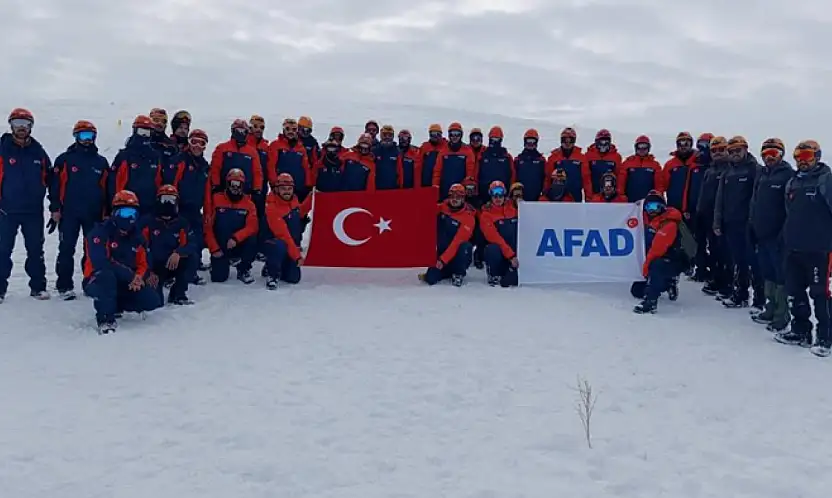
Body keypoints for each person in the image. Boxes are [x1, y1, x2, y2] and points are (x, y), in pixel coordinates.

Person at [775, 140, 832, 357]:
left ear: (817, 156)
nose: (802, 161)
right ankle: (801, 331)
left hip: (819, 249)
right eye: (798, 156)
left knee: (820, 293)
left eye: (807, 156)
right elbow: (790, 213)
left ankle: (825, 337)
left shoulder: (826, 180)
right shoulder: (793, 183)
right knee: (794, 291)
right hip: (794, 248)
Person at [82, 190, 163, 334]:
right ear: (115, 213)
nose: (129, 218)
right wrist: (131, 276)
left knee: (152, 300)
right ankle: (105, 319)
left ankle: (116, 304)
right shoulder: (99, 233)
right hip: (97, 278)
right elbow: (102, 262)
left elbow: (143, 262)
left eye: (133, 214)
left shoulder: (137, 237)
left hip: (126, 281)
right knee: (107, 277)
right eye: (124, 213)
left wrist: (139, 278)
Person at [50, 120, 109, 300]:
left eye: (90, 136)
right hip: (69, 213)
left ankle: (90, 281)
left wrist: (106, 213)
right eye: (83, 136)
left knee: (92, 249)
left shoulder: (101, 162)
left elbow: (107, 189)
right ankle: (64, 285)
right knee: (66, 248)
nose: (87, 140)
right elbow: (55, 186)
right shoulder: (65, 159)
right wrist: (55, 208)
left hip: (93, 213)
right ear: (76, 136)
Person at [0, 108, 52, 302]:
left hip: (33, 211)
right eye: (17, 124)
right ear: (11, 126)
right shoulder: (2, 149)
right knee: (2, 250)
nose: (21, 128)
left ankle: (38, 287)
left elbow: (50, 177)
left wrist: (54, 205)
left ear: (31, 127)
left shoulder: (38, 151)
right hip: (6, 210)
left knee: (36, 250)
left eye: (25, 124)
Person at [748, 138, 793, 332]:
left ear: (781, 155)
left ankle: (782, 314)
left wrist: (785, 232)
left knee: (780, 274)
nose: (769, 158)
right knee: (767, 272)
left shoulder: (788, 175)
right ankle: (770, 308)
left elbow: (791, 208)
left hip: (778, 235)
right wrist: (752, 225)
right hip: (761, 233)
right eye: (766, 154)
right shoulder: (762, 174)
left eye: (773, 154)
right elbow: (754, 202)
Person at [713, 136, 759, 308]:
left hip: (748, 224)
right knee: (738, 261)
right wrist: (717, 222)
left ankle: (759, 299)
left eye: (738, 150)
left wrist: (753, 221)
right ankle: (741, 294)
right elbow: (720, 199)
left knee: (753, 263)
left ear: (745, 149)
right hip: (730, 223)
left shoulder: (754, 170)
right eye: (731, 151)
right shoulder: (728, 172)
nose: (735, 154)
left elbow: (757, 199)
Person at [139, 185, 198, 305]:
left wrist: (179, 252)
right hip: (153, 267)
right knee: (155, 303)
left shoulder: (182, 222)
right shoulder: (147, 222)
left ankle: (178, 293)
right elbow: (140, 249)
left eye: (171, 200)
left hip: (172, 263)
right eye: (164, 199)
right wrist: (148, 271)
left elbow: (192, 243)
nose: (167, 203)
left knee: (192, 258)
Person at [663, 132, 710, 280]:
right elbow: (662, 185)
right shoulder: (670, 165)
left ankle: (702, 268)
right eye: (681, 143)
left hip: (696, 208)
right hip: (675, 208)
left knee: (699, 240)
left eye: (687, 143)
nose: (684, 146)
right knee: (677, 240)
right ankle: (684, 266)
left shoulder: (697, 163)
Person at [167, 128, 210, 282]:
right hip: (179, 209)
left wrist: (207, 211)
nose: (197, 146)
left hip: (194, 209)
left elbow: (206, 191)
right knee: (179, 239)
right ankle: (172, 273)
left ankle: (193, 266)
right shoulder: (180, 161)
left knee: (197, 237)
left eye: (202, 143)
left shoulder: (204, 166)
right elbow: (171, 184)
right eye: (194, 142)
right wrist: (172, 206)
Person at [633, 192, 686, 314]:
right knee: (637, 291)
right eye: (648, 208)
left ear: (662, 207)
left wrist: (645, 268)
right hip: (659, 258)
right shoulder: (653, 220)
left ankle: (651, 302)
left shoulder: (669, 224)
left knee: (655, 265)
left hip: (674, 260)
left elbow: (657, 250)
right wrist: (637, 206)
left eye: (655, 207)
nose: (652, 211)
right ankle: (667, 284)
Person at [204, 168, 259, 284]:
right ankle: (218, 262)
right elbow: (207, 227)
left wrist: (236, 238)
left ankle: (244, 268)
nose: (235, 187)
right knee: (219, 278)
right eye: (233, 183)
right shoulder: (216, 199)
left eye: (238, 184)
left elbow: (252, 227)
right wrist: (214, 249)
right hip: (220, 244)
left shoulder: (249, 204)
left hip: (238, 243)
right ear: (227, 184)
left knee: (253, 239)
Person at [261, 173, 311, 289]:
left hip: (288, 244)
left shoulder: (294, 200)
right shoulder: (271, 207)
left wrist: (313, 196)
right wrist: (297, 256)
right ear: (277, 189)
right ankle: (272, 274)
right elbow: (283, 234)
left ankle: (278, 264)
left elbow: (300, 212)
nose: (287, 192)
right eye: (283, 189)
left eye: (289, 189)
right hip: (272, 242)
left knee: (293, 278)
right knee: (279, 245)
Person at [420, 184, 475, 286]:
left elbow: (457, 241)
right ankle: (446, 272)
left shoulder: (468, 217)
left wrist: (443, 260)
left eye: (458, 197)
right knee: (430, 279)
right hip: (441, 252)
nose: (454, 199)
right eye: (452, 196)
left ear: (463, 199)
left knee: (465, 246)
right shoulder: (441, 208)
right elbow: (423, 212)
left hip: (457, 254)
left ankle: (458, 273)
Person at [699, 136, 732, 299]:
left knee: (727, 253)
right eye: (714, 150)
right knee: (714, 250)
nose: (717, 153)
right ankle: (717, 279)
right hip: (709, 217)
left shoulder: (730, 170)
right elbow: (704, 194)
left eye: (721, 150)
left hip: (725, 218)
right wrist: (700, 211)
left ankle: (728, 284)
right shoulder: (710, 170)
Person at [109, 115, 163, 214]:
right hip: (126, 207)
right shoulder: (124, 155)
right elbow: (114, 182)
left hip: (149, 208)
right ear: (135, 131)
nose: (144, 136)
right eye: (141, 132)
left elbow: (158, 182)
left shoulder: (155, 157)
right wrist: (113, 207)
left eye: (147, 133)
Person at [480, 180, 519, 287]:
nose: (498, 198)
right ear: (490, 195)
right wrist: (511, 256)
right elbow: (494, 237)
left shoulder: (514, 210)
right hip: (503, 254)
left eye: (500, 194)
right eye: (495, 194)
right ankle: (493, 273)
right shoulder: (486, 214)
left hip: (514, 253)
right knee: (492, 248)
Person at [267, 118, 312, 202]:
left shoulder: (301, 147)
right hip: (282, 188)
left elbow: (306, 167)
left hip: (299, 188)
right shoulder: (275, 145)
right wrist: (273, 183)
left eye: (294, 129)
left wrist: (308, 184)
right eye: (288, 129)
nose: (290, 132)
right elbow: (271, 165)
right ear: (283, 130)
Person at [433, 122, 476, 199]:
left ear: (461, 135)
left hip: (460, 192)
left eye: (457, 134)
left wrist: (467, 189)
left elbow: (470, 173)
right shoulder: (443, 151)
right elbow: (437, 171)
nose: (454, 136)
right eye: (452, 134)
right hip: (445, 190)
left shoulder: (467, 151)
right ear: (449, 135)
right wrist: (435, 188)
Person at [617, 135, 665, 202]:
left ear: (648, 148)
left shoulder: (655, 165)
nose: (642, 150)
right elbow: (621, 183)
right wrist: (621, 197)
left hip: (648, 203)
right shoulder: (627, 163)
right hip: (629, 202)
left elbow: (659, 185)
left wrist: (658, 198)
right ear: (636, 148)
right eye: (639, 147)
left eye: (644, 147)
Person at [476, 126, 515, 205]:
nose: (494, 141)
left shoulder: (507, 157)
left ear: (501, 140)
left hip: (502, 196)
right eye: (492, 139)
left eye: (497, 139)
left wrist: (510, 194)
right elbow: (476, 174)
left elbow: (513, 176)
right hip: (484, 196)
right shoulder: (482, 155)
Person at [546, 127, 586, 201]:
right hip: (557, 197)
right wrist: (546, 194)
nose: (567, 143)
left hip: (575, 197)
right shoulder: (553, 157)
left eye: (570, 140)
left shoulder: (581, 158)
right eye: (565, 140)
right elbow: (547, 178)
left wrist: (589, 198)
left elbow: (587, 179)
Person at [583, 129, 622, 197]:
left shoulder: (616, 157)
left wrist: (617, 195)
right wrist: (589, 195)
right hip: (593, 194)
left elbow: (619, 178)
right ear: (596, 142)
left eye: (606, 141)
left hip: (610, 195)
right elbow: (586, 178)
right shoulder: (588, 155)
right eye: (601, 141)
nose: (603, 144)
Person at [514, 129, 547, 201]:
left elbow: (546, 178)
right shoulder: (518, 160)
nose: (530, 144)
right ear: (525, 142)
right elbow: (513, 178)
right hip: (520, 198)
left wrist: (544, 194)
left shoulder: (541, 161)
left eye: (533, 141)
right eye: (528, 141)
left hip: (537, 198)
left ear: (536, 143)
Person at [374, 124, 404, 189]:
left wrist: (400, 185)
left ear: (392, 137)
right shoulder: (375, 150)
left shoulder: (397, 151)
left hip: (393, 187)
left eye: (390, 135)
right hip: (377, 188)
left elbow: (400, 170)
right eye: (385, 135)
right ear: (381, 136)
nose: (387, 137)